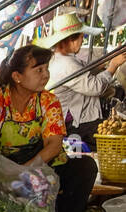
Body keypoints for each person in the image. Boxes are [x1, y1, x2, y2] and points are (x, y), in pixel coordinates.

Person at [0, 44, 99, 212]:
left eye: (46, 69)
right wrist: (6, 173)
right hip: (0, 170)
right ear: (17, 76)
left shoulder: (48, 101)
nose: (45, 75)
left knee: (85, 167)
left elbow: (53, 145)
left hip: (41, 165)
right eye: (38, 70)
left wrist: (25, 172)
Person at [42, 11, 126, 149]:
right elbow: (95, 87)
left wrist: (108, 58)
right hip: (75, 126)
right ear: (70, 40)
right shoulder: (66, 64)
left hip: (73, 121)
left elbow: (85, 70)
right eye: (82, 37)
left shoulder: (61, 58)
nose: (82, 40)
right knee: (119, 139)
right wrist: (113, 66)